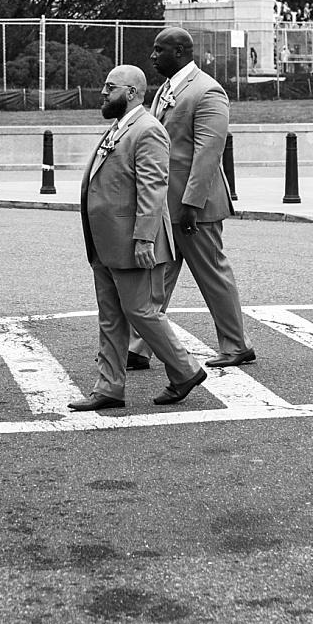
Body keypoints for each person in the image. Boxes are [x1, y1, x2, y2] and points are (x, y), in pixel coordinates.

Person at [69, 66, 208, 411]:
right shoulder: (118, 127)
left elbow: (153, 188)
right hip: (104, 242)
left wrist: (145, 239)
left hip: (133, 243)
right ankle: (109, 387)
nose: (103, 92)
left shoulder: (148, 130)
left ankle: (185, 370)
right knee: (111, 317)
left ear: (131, 92)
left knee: (142, 312)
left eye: (109, 87)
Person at [127, 27, 255, 369]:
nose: (152, 57)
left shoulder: (208, 91)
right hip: (168, 206)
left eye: (159, 50)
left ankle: (237, 345)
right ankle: (138, 347)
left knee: (212, 274)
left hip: (193, 209)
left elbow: (208, 153)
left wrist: (191, 204)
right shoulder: (166, 90)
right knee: (159, 275)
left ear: (180, 51)